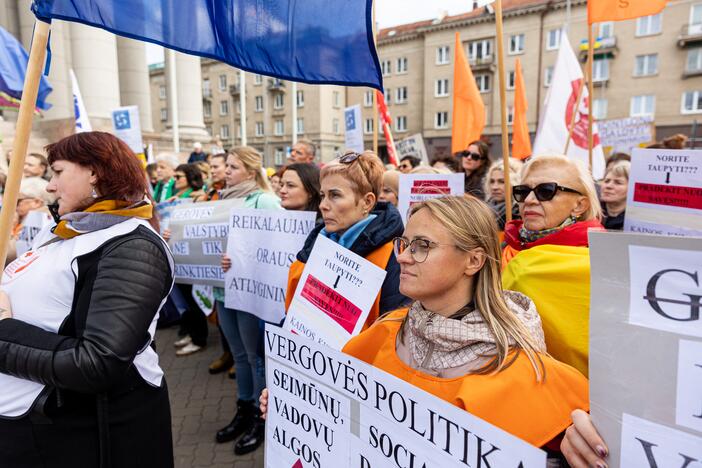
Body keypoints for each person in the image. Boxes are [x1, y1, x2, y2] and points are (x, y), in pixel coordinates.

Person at [261, 196, 588, 462]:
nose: (402, 257)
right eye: (404, 244)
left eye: (423, 246)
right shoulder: (386, 331)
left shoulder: (526, 370)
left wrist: (577, 447)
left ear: (473, 261)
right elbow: (335, 405)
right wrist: (294, 398)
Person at [0, 131, 174, 468]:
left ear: (94, 172)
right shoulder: (67, 233)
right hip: (34, 427)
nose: (49, 186)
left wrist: (3, 331)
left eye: (58, 172)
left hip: (79, 436)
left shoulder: (132, 246)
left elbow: (97, 362)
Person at [502, 155, 604, 376]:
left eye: (545, 191)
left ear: (579, 205)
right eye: (522, 191)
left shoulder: (599, 260)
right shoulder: (505, 247)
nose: (529, 200)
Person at [286, 150, 408, 331]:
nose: (323, 205)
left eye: (335, 195)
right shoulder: (317, 243)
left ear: (367, 202)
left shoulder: (395, 256)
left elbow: (391, 334)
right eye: (322, 195)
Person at [216, 147, 280, 455]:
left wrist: (239, 260)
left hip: (248, 293)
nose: (226, 171)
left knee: (255, 357)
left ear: (251, 172)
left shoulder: (264, 201)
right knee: (239, 354)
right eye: (226, 166)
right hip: (222, 290)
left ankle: (259, 415)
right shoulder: (223, 199)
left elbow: (276, 247)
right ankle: (243, 408)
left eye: (233, 166)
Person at [7, 177, 54, 264]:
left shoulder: (38, 218)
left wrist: (8, 228)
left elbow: (9, 254)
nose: (14, 205)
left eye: (17, 201)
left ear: (36, 202)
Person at [484, 159, 522, 230]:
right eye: (492, 181)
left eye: (501, 181)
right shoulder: (483, 209)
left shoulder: (519, 213)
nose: (494, 187)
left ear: (515, 183)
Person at [600, 161, 629, 231]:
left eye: (618, 182)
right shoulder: (590, 213)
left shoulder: (637, 221)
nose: (609, 186)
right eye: (606, 181)